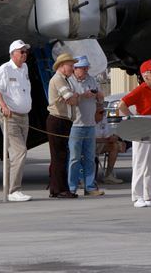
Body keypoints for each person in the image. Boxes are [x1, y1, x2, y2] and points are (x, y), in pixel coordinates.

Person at [118, 59, 151, 208]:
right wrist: (132, 119)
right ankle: (137, 196)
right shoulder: (140, 90)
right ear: (145, 75)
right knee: (140, 163)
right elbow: (122, 104)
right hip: (142, 129)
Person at [0, 40, 33, 202]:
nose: (24, 55)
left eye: (25, 52)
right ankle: (14, 190)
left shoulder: (25, 68)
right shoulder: (5, 69)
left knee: (16, 155)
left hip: (24, 116)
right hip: (10, 116)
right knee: (20, 151)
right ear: (12, 54)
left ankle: (11, 188)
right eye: (21, 52)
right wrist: (4, 107)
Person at [67, 55, 105, 197]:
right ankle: (71, 187)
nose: (86, 70)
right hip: (75, 125)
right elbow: (70, 100)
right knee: (74, 158)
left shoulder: (92, 79)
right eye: (83, 67)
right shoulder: (69, 81)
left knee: (90, 157)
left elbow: (100, 97)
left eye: (86, 67)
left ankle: (89, 186)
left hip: (90, 124)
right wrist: (84, 95)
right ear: (75, 69)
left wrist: (99, 96)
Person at [47, 52, 79, 198]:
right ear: (62, 66)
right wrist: (75, 97)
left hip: (62, 120)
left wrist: (74, 97)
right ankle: (60, 189)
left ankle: (56, 187)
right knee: (60, 155)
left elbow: (72, 99)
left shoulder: (65, 80)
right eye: (70, 65)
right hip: (58, 120)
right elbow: (70, 98)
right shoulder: (59, 80)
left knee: (59, 155)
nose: (73, 68)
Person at [95, 107, 125, 184]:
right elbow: (89, 139)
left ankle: (108, 175)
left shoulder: (103, 118)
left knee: (114, 145)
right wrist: (106, 139)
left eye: (103, 112)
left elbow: (107, 135)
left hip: (100, 144)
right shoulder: (87, 120)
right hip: (88, 144)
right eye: (100, 112)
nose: (103, 114)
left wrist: (114, 138)